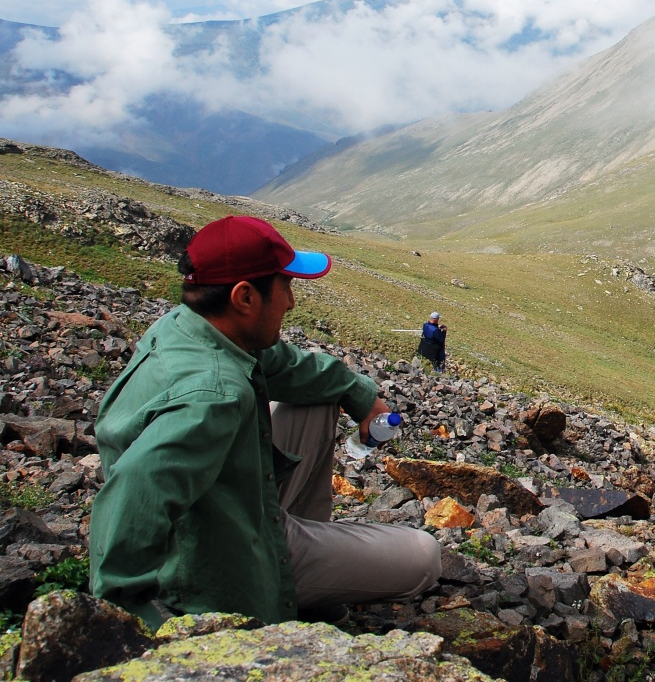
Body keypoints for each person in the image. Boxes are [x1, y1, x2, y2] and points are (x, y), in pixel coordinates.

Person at [88, 215, 441, 629]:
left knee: (316, 397)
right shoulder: (214, 396)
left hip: (232, 515)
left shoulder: (189, 327)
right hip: (224, 565)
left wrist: (359, 396)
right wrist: (128, 618)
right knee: (424, 556)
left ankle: (309, 566)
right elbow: (135, 491)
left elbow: (284, 364)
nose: (291, 302)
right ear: (244, 297)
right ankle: (290, 582)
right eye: (285, 286)